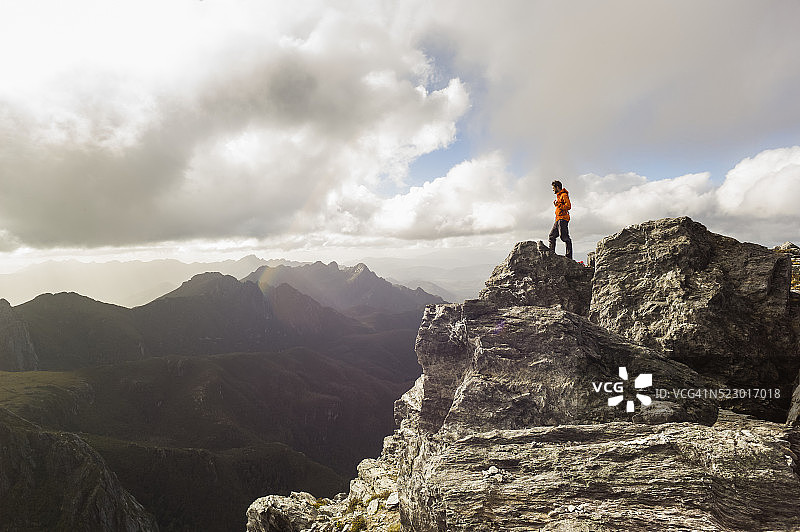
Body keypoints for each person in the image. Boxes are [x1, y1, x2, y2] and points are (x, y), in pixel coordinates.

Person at [548, 180, 573, 259]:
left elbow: (568, 206)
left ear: (557, 187)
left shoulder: (564, 195)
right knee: (551, 236)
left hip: (563, 219)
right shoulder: (559, 196)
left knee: (564, 237)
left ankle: (569, 256)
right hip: (558, 219)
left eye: (553, 188)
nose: (553, 190)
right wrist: (557, 204)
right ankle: (551, 254)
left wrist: (558, 204)